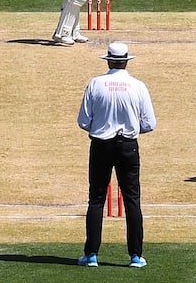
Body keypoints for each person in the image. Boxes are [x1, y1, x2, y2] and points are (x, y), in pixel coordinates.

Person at [77, 42, 157, 268]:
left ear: (109, 61)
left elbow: (83, 121)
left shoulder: (96, 84)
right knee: (132, 200)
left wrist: (100, 127)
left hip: (101, 145)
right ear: (125, 62)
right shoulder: (138, 86)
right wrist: (131, 130)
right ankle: (135, 256)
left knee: (96, 199)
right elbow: (149, 123)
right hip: (128, 146)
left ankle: (91, 254)